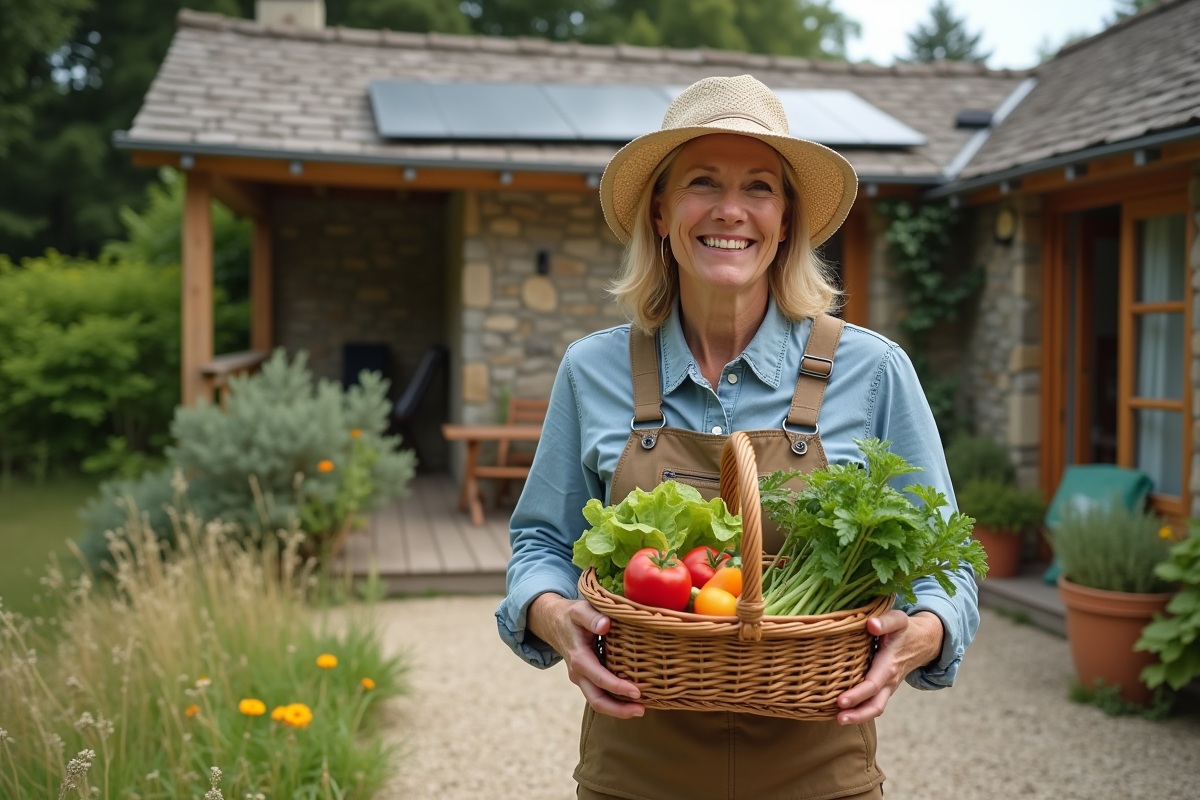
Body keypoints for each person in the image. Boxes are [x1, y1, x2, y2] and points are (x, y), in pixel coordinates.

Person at [495, 75, 978, 800]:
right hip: (636, 769)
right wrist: (554, 615)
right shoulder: (592, 370)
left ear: (786, 221)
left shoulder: (872, 372)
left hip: (820, 771)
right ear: (660, 212)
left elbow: (947, 557)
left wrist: (929, 630)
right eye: (702, 183)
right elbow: (539, 543)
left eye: (759, 186)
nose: (731, 210)